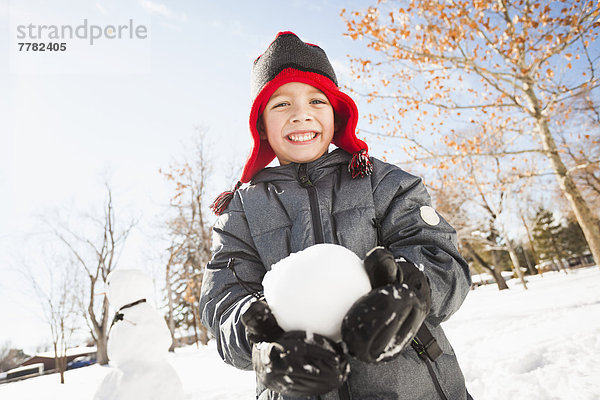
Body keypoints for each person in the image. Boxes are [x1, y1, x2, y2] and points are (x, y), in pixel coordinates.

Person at [199, 31, 472, 400]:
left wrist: (411, 292)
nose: (300, 114)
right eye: (280, 104)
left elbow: (443, 258)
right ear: (260, 124)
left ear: (337, 113)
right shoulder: (240, 213)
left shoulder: (384, 182)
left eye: (316, 100)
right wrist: (262, 343)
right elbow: (223, 304)